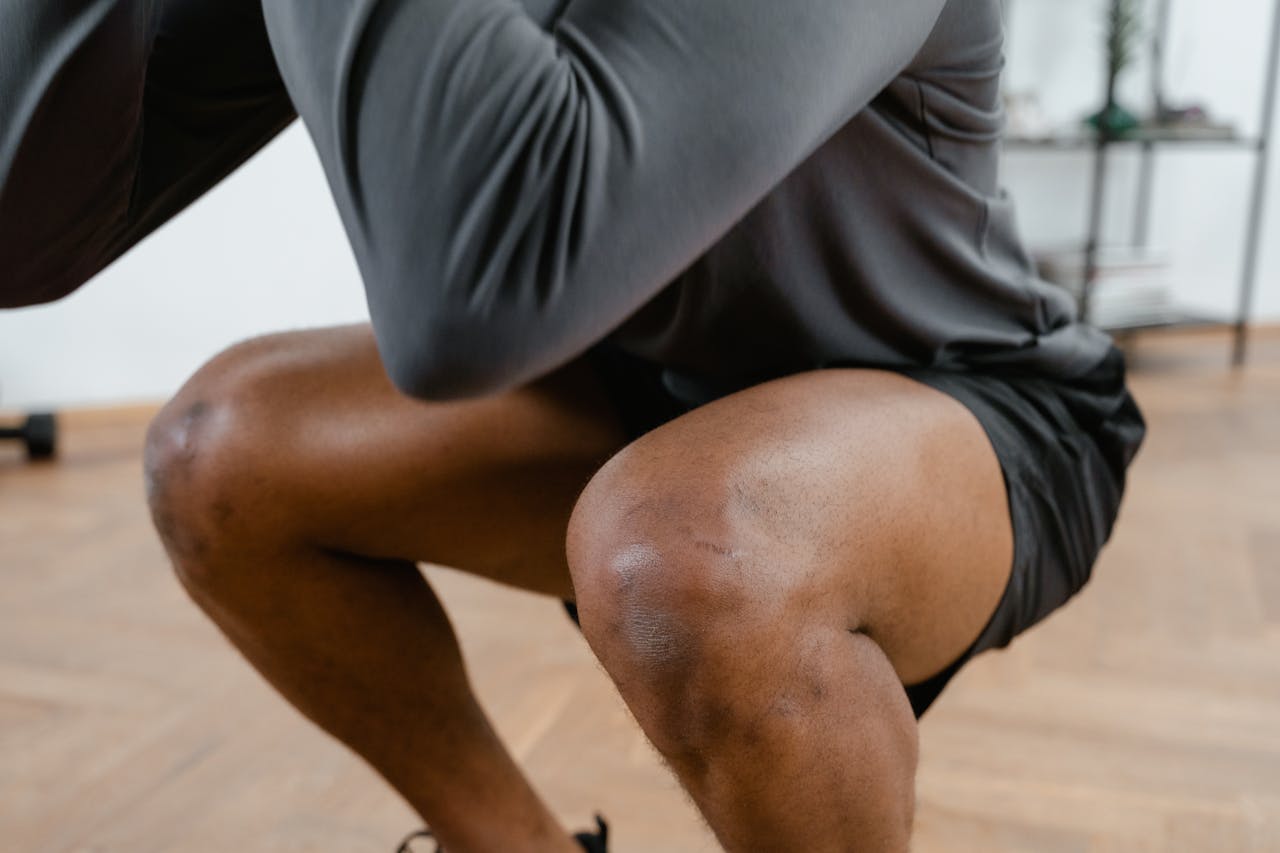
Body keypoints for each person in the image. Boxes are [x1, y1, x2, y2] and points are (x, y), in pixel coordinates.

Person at [1, 0, 1147, 850]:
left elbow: (478, 291)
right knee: (219, 453)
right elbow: (25, 224)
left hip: (968, 407)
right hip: (636, 385)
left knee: (690, 551)